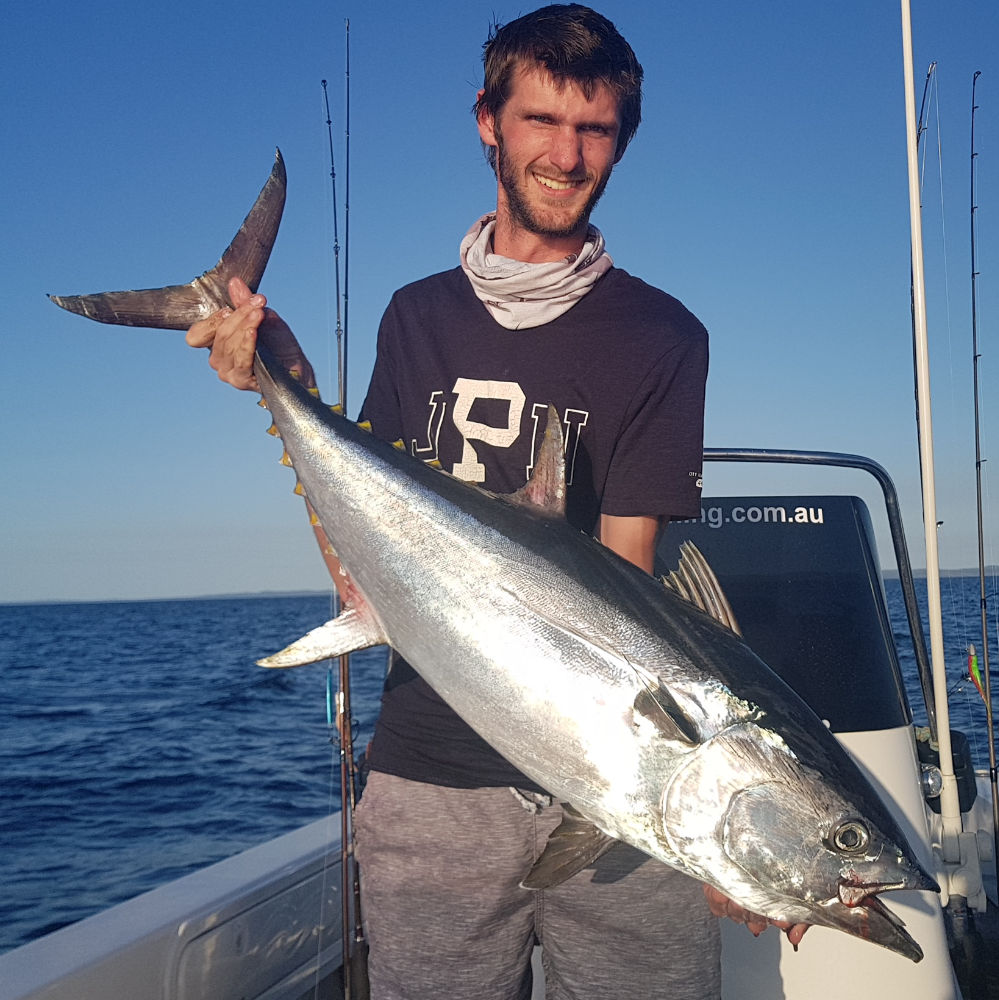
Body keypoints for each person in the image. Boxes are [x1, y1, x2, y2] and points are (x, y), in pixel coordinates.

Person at [187, 5, 805, 997]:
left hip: (613, 797)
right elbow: (364, 569)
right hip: (430, 782)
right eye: (540, 122)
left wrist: (729, 837)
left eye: (594, 129)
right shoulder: (415, 314)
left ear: (621, 141)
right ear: (488, 121)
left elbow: (626, 588)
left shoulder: (662, 336)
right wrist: (279, 365)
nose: (566, 155)